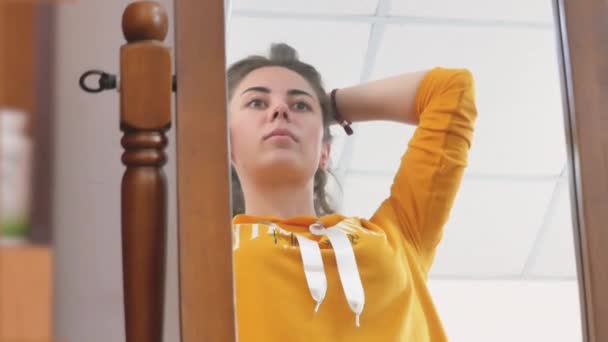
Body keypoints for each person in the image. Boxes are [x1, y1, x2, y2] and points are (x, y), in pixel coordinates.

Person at [227, 42, 477, 341]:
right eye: (257, 102)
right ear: (226, 143)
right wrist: (312, 108)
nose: (280, 110)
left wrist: (328, 105)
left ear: (324, 152)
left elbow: (451, 90)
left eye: (299, 105)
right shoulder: (210, 252)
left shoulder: (401, 233)